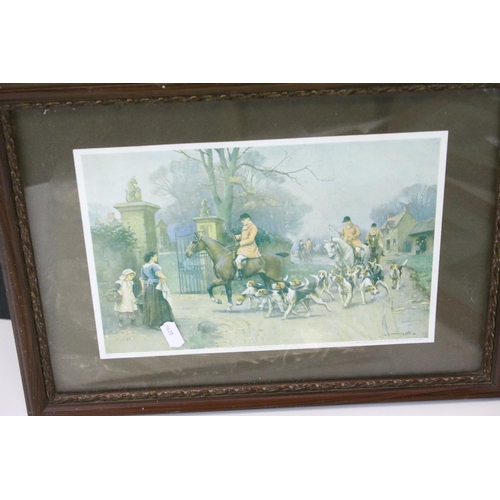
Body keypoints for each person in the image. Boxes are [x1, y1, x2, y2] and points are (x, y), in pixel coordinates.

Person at [140, 251, 174, 328]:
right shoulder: (154, 266)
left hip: (148, 288)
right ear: (151, 257)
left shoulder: (144, 267)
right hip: (155, 287)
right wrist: (164, 278)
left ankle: (151, 322)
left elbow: (143, 279)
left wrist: (143, 289)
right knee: (158, 304)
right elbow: (158, 274)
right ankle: (158, 322)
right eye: (155, 256)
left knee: (151, 304)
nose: (157, 257)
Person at [234, 213, 261, 280]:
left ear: (248, 219)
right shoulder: (245, 226)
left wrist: (240, 243)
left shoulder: (253, 227)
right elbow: (243, 236)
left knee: (238, 259)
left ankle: (240, 275)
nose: (242, 221)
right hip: (243, 247)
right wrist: (235, 236)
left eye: (243, 220)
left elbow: (251, 239)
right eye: (241, 220)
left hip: (249, 247)